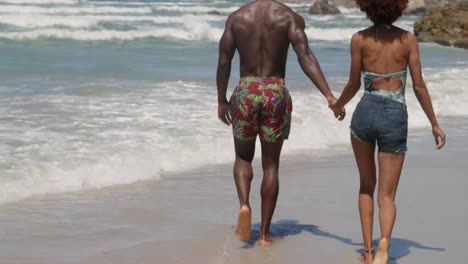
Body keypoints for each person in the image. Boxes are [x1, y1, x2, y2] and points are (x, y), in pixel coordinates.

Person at [216, 0, 344, 246]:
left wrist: (221, 99)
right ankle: (264, 234)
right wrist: (329, 96)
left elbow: (224, 61)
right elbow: (305, 56)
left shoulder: (237, 17)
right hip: (275, 92)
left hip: (245, 91)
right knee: (271, 165)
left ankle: (244, 204)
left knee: (243, 158)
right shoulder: (289, 17)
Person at [329, 0, 446, 263]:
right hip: (395, 115)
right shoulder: (407, 40)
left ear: (367, 7)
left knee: (366, 186)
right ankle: (384, 243)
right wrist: (434, 123)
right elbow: (419, 87)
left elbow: (352, 84)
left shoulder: (359, 39)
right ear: (398, 7)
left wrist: (338, 104)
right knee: (387, 194)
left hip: (365, 113)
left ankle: (367, 253)